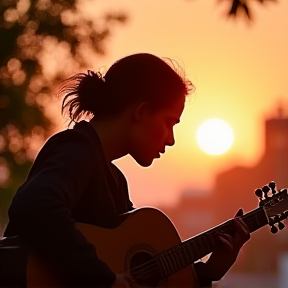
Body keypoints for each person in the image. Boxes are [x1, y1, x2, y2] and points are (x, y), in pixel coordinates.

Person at [3, 53, 250, 288]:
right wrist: (104, 280)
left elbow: (133, 273)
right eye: (169, 123)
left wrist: (207, 272)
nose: (171, 139)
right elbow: (35, 204)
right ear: (141, 111)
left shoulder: (115, 181)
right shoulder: (78, 150)